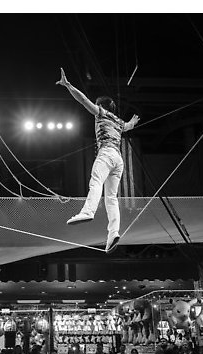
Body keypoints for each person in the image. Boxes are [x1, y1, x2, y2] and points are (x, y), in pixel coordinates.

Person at [56, 67, 140, 253]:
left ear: (101, 106)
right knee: (111, 198)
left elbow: (83, 100)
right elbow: (128, 127)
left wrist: (68, 85)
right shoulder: (118, 121)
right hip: (118, 160)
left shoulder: (101, 113)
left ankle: (88, 212)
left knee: (96, 183)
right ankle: (113, 234)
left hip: (106, 154)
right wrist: (133, 122)